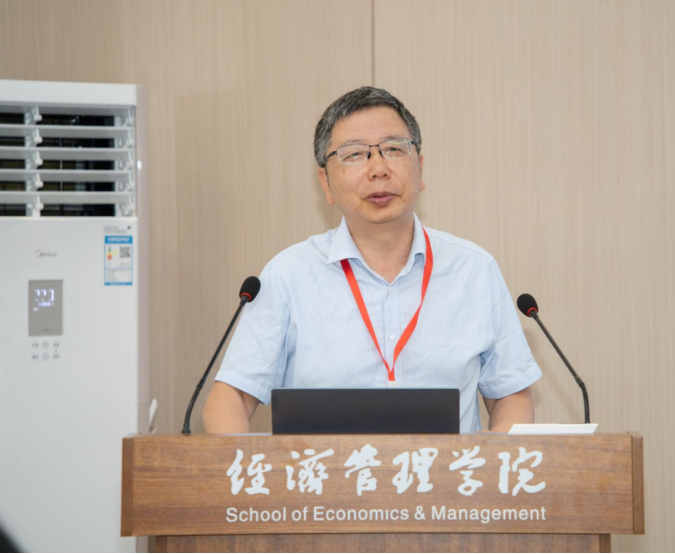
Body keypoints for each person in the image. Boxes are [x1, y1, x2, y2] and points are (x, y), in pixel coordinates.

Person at [203, 87, 541, 434]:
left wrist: (494, 463)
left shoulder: (475, 271)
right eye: (354, 154)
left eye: (394, 149)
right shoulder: (287, 276)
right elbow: (232, 397)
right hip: (322, 472)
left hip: (446, 471)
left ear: (420, 167)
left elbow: (510, 394)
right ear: (326, 183)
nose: (378, 169)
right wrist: (245, 466)